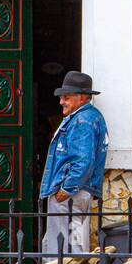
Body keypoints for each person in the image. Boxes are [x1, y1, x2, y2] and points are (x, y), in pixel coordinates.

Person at [39, 71, 108, 254]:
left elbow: (83, 161)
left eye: (67, 97)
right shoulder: (88, 117)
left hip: (71, 195)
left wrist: (66, 190)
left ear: (83, 97)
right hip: (76, 193)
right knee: (68, 242)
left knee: (66, 247)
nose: (61, 101)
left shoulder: (83, 120)